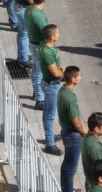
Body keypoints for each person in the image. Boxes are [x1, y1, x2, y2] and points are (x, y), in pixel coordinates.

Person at [58, 66, 88, 192]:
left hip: (67, 133)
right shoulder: (69, 98)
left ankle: (68, 188)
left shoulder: (63, 90)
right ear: (73, 79)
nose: (80, 78)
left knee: (67, 166)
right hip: (73, 136)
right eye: (78, 76)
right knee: (70, 169)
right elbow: (76, 123)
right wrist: (87, 133)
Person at [40, 24, 65, 156]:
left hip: (49, 84)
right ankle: (50, 144)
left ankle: (49, 137)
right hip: (51, 86)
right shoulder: (48, 52)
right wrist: (65, 75)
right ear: (52, 36)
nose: (59, 35)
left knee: (48, 113)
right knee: (50, 115)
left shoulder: (44, 45)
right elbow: (55, 73)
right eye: (57, 33)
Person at [25, 0, 49, 110]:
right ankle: (40, 99)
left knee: (35, 70)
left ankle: (36, 92)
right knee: (39, 73)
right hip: (38, 46)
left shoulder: (29, 9)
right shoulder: (38, 15)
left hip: (32, 43)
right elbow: (46, 32)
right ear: (44, 0)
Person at [82, 113, 102, 190]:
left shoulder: (87, 137)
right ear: (96, 129)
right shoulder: (94, 147)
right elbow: (101, 169)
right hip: (96, 185)